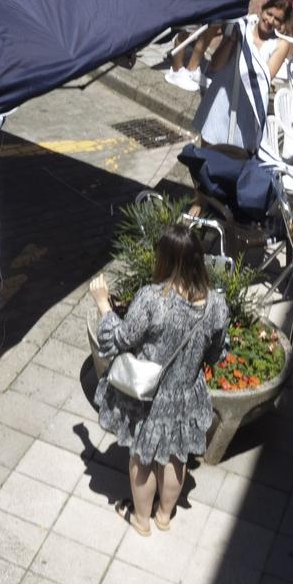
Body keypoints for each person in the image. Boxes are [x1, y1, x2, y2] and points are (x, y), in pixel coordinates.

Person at [88, 224, 229, 535]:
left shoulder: (152, 299)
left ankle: (141, 520)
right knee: (176, 456)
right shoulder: (216, 304)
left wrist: (102, 304)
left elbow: (121, 338)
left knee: (143, 455)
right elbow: (218, 351)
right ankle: (164, 516)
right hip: (187, 392)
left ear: (165, 259)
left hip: (150, 397)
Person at [184, 0, 293, 144]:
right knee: (208, 143)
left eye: (277, 19)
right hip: (222, 93)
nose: (270, 20)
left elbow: (265, 77)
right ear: (261, 10)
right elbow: (216, 65)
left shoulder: (281, 44)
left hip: (248, 103)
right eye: (269, 14)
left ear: (282, 23)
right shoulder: (241, 28)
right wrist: (232, 40)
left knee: (236, 152)